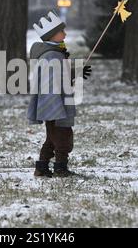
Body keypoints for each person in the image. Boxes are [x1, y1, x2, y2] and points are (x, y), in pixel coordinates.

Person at [28, 11, 92, 178]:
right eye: (61, 31)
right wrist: (54, 107)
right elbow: (51, 83)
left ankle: (41, 167)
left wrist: (76, 72)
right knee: (63, 137)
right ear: (52, 36)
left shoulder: (55, 53)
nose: (65, 34)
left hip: (55, 105)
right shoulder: (51, 55)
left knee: (52, 138)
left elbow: (60, 76)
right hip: (56, 106)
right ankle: (60, 168)